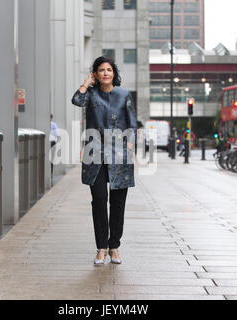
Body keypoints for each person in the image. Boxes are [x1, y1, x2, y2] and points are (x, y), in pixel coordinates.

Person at [71, 56, 137, 265]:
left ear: (114, 73)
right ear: (96, 74)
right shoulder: (90, 95)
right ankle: (101, 248)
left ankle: (114, 247)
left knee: (118, 203)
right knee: (99, 200)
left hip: (119, 155)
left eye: (109, 70)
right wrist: (86, 83)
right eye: (101, 70)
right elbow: (76, 100)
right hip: (96, 154)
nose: (105, 73)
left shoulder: (124, 94)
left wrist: (130, 143)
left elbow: (132, 121)